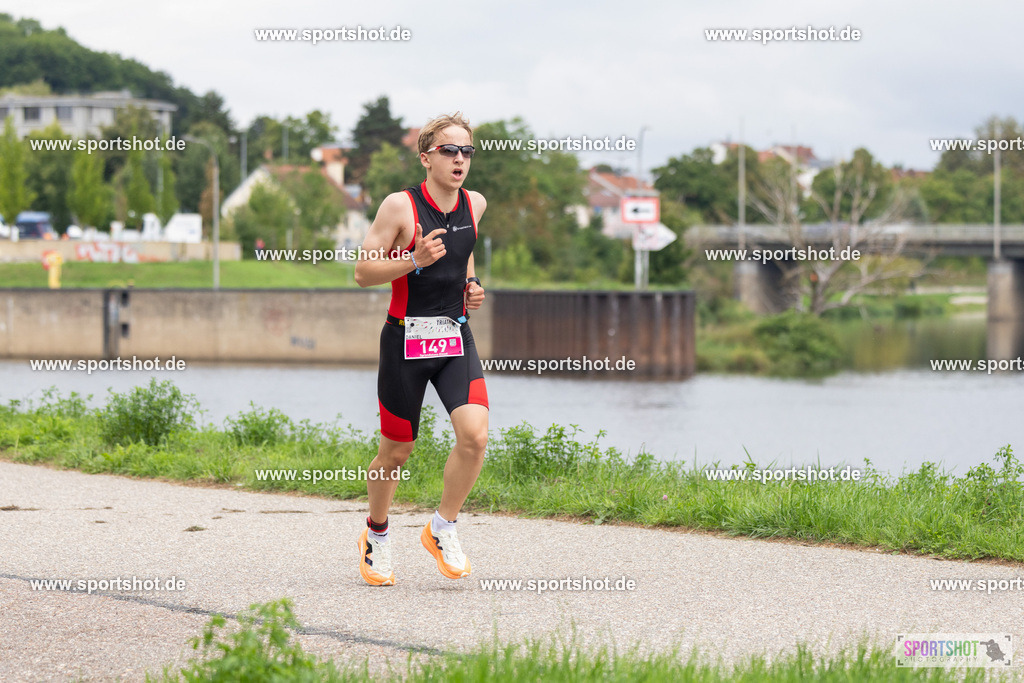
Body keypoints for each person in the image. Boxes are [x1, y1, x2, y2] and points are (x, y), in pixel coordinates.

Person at [353, 113, 488, 586]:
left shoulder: (475, 203)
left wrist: (471, 283)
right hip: (404, 341)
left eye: (466, 151)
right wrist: (413, 259)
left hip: (454, 336)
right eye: (449, 150)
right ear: (426, 157)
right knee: (395, 452)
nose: (459, 159)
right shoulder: (400, 207)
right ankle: (376, 534)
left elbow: (464, 249)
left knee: (474, 437)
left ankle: (442, 528)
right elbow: (363, 272)